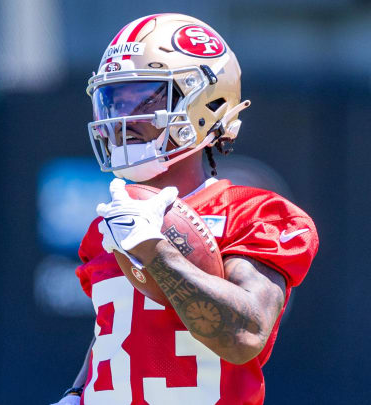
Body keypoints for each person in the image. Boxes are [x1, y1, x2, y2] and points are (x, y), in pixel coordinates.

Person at [54, 13, 318, 405]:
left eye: (141, 97)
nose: (122, 118)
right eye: (114, 100)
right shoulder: (107, 223)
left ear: (204, 103)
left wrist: (155, 251)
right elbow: (118, 329)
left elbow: (244, 335)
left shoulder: (251, 215)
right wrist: (77, 392)